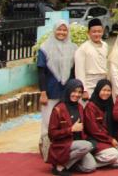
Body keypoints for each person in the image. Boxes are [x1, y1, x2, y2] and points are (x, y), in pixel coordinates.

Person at [37, 20, 77, 161]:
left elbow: (73, 72)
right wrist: (43, 92)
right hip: (50, 89)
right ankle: (47, 149)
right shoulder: (45, 47)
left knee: (65, 119)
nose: (62, 33)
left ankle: (62, 148)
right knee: (48, 121)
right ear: (54, 30)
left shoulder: (73, 47)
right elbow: (41, 72)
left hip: (67, 90)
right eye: (59, 30)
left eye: (64, 30)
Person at [46, 78, 96, 175]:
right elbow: (52, 134)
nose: (76, 95)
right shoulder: (58, 109)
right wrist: (71, 129)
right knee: (87, 146)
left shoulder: (80, 107)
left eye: (79, 92)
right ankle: (59, 166)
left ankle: (68, 164)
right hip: (63, 145)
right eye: (73, 91)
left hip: (78, 144)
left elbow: (83, 129)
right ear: (68, 90)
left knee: (90, 167)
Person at [83, 80, 118, 169]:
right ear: (98, 90)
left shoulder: (109, 104)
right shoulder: (91, 106)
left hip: (107, 140)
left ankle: (92, 164)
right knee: (113, 155)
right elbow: (93, 130)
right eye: (103, 90)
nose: (106, 93)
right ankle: (88, 161)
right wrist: (110, 140)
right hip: (95, 140)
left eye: (108, 91)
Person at [74, 18, 108, 98]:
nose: (97, 34)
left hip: (103, 84)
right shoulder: (82, 49)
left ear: (102, 32)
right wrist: (84, 90)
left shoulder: (105, 46)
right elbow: (79, 71)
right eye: (94, 32)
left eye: (99, 31)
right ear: (88, 33)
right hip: (89, 85)